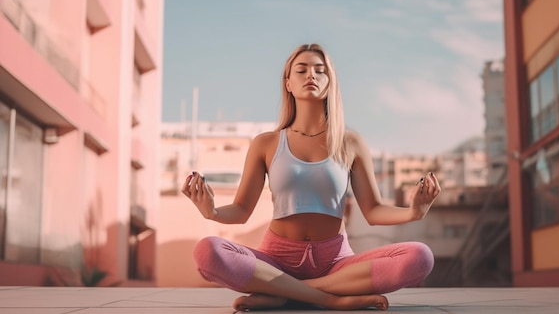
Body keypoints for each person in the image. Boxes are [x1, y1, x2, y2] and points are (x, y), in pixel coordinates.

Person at [181, 43, 441, 312]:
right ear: (288, 83)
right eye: (301, 69)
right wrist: (211, 211)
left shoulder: (350, 142)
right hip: (276, 260)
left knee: (420, 257)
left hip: (336, 264)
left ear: (330, 83)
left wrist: (414, 212)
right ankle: (328, 298)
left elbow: (373, 211)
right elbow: (241, 210)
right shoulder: (266, 143)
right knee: (207, 251)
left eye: (320, 70)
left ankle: (284, 292)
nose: (311, 75)